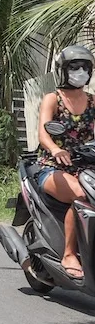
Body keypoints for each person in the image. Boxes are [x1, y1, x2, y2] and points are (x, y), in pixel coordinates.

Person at [35, 45, 95, 280]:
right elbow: (43, 133)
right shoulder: (53, 98)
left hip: (87, 166)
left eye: (84, 67)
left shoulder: (92, 101)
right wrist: (55, 149)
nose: (80, 71)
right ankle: (69, 254)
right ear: (63, 70)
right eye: (74, 67)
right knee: (81, 196)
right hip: (53, 166)